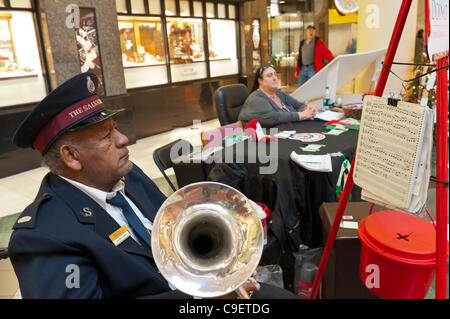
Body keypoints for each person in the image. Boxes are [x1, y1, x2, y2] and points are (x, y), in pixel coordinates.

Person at [8, 72, 296, 299]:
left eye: (115, 129)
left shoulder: (128, 176)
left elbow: (173, 231)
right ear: (71, 157)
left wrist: (227, 271)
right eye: (106, 136)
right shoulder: (44, 236)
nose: (123, 139)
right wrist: (199, 297)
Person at [238, 65, 317, 128]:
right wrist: (302, 115)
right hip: (259, 142)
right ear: (260, 81)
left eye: (275, 74)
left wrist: (307, 110)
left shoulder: (279, 94)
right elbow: (274, 117)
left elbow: (299, 105)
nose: (274, 78)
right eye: (269, 76)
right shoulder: (255, 98)